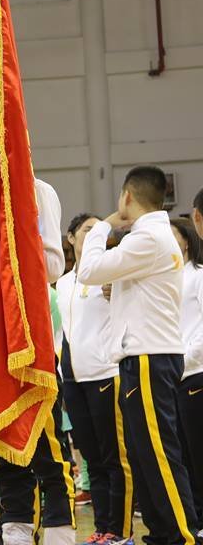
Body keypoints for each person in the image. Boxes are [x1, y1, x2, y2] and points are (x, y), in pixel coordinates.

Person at [78, 165, 199, 545]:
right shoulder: (151, 238)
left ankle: (181, 536)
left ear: (127, 196)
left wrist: (102, 227)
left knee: (158, 453)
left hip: (150, 357)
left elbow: (88, 270)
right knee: (144, 455)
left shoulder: (147, 237)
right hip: (145, 357)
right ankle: (162, 534)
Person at [0, 178, 73, 545]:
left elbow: (53, 266)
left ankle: (60, 530)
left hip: (28, 331)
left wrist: (12, 259)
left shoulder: (38, 190)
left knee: (46, 442)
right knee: (2, 441)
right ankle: (15, 530)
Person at [57, 213, 134, 544]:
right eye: (87, 229)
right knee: (91, 459)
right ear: (71, 237)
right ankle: (102, 528)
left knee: (115, 458)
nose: (93, 234)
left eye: (97, 229)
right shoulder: (62, 283)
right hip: (74, 381)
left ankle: (121, 530)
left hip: (106, 374)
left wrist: (118, 293)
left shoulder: (110, 275)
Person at [171, 217, 203, 524]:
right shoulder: (166, 280)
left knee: (198, 450)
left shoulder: (199, 275)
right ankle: (193, 519)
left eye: (172, 234)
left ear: (186, 240)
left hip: (195, 373)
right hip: (170, 377)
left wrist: (187, 359)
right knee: (181, 453)